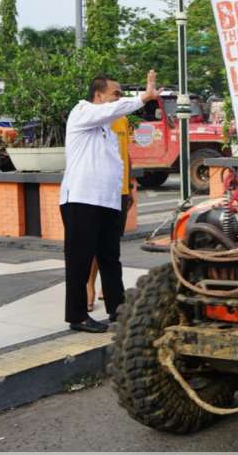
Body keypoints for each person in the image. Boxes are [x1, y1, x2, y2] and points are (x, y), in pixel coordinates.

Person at [60, 70, 159, 333]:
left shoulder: (108, 125)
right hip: (81, 199)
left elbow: (115, 164)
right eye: (115, 94)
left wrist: (122, 194)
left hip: (107, 201)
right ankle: (77, 316)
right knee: (79, 260)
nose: (119, 99)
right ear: (99, 94)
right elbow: (113, 109)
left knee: (110, 258)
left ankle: (118, 311)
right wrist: (143, 97)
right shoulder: (82, 112)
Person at [85, 114, 133, 312]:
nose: (118, 97)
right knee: (95, 244)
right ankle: (89, 286)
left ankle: (109, 287)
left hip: (119, 191)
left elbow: (125, 153)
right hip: (100, 191)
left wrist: (129, 187)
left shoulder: (122, 119)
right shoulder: (94, 119)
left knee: (112, 245)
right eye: (115, 93)